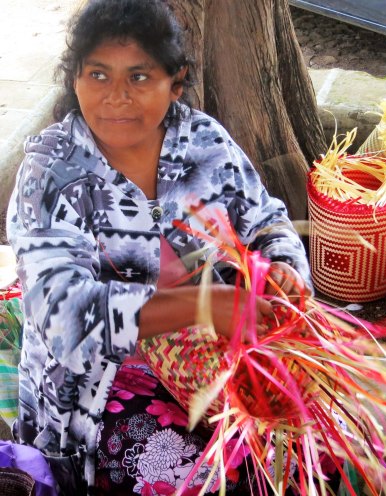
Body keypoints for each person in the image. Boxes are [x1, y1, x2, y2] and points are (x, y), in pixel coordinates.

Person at [6, 0, 311, 494]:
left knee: (295, 450)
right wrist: (202, 304)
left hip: (216, 359)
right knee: (203, 480)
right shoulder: (52, 173)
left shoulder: (202, 143)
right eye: (99, 75)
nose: (118, 97)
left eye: (140, 77)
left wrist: (283, 267)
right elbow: (63, 318)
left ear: (176, 80)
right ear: (75, 79)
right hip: (97, 390)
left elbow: (266, 220)